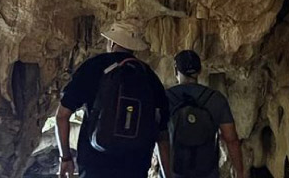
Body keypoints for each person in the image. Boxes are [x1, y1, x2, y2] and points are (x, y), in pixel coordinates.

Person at [55, 21, 172, 178]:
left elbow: (62, 116)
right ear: (133, 47)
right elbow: (162, 135)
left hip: (95, 166)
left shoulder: (93, 67)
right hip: (135, 167)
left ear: (112, 42)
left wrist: (66, 158)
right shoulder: (148, 76)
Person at [167, 50, 246, 178]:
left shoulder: (166, 98)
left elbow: (159, 139)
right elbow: (231, 140)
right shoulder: (216, 99)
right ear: (199, 71)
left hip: (176, 171)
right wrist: (240, 172)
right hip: (208, 172)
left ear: (176, 70)